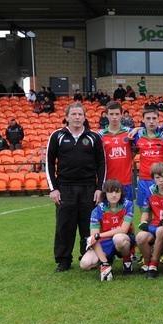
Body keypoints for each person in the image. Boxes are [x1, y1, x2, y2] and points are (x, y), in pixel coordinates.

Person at [46, 102, 105, 272]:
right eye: (74, 114)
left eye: (80, 114)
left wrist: (99, 188)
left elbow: (102, 164)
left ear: (85, 117)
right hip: (65, 188)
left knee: (88, 225)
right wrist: (53, 188)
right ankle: (63, 260)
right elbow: (49, 163)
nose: (77, 117)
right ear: (67, 117)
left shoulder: (94, 137)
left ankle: (88, 256)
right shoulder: (57, 136)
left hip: (89, 188)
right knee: (65, 225)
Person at [80, 179, 134, 280]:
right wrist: (104, 263)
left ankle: (127, 260)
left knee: (119, 238)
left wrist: (99, 235)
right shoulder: (97, 210)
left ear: (121, 193)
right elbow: (93, 237)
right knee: (85, 264)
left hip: (122, 239)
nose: (114, 195)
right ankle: (106, 261)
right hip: (105, 242)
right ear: (105, 194)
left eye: (117, 192)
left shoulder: (128, 205)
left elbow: (123, 230)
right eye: (110, 192)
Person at [136, 162, 163, 279]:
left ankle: (154, 264)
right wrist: (143, 222)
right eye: (157, 177)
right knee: (140, 237)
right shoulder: (150, 191)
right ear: (153, 179)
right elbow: (145, 212)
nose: (161, 180)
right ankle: (147, 262)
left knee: (160, 231)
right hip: (155, 224)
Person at [132, 106, 163, 210]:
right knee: (144, 211)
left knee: (162, 212)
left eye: (154, 118)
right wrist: (137, 129)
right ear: (143, 120)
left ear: (158, 119)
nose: (151, 121)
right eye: (148, 118)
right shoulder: (137, 136)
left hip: (161, 180)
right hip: (144, 180)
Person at [98, 102, 134, 201]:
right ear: (106, 115)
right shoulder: (100, 135)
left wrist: (137, 128)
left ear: (121, 115)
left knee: (127, 210)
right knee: (108, 211)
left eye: (117, 114)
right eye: (111, 114)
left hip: (126, 182)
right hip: (108, 183)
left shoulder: (130, 133)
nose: (114, 117)